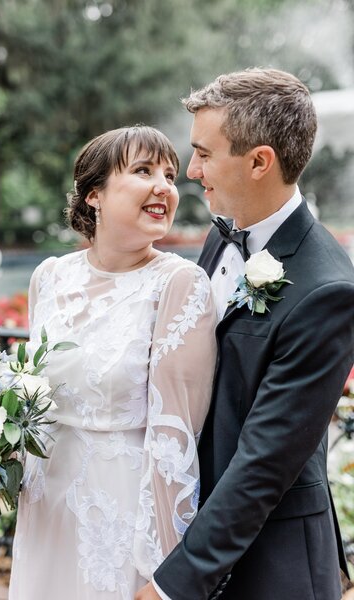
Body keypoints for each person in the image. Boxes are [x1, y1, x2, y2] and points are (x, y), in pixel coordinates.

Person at [136, 69, 354, 600]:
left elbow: (263, 463)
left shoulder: (327, 290)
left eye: (205, 154)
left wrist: (172, 586)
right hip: (191, 527)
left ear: (260, 162)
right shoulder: (221, 237)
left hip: (270, 565)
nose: (191, 171)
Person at [8, 125, 218, 599]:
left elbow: (176, 438)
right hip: (44, 507)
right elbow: (32, 397)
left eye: (168, 173)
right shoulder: (49, 276)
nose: (164, 186)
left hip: (120, 518)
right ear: (94, 195)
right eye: (143, 171)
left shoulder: (179, 284)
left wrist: (166, 573)